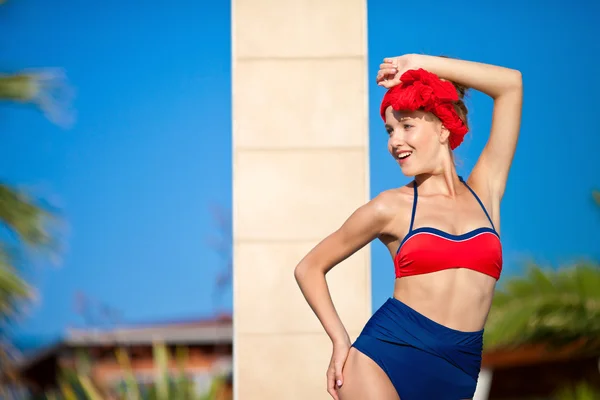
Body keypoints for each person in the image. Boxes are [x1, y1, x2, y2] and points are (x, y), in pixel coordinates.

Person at [294, 53, 523, 400]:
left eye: (406, 125)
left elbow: (510, 85)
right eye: (389, 130)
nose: (394, 141)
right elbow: (309, 267)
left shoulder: (485, 192)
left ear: (443, 127)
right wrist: (340, 340)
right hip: (384, 357)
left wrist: (417, 63)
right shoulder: (391, 207)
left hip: (459, 369)